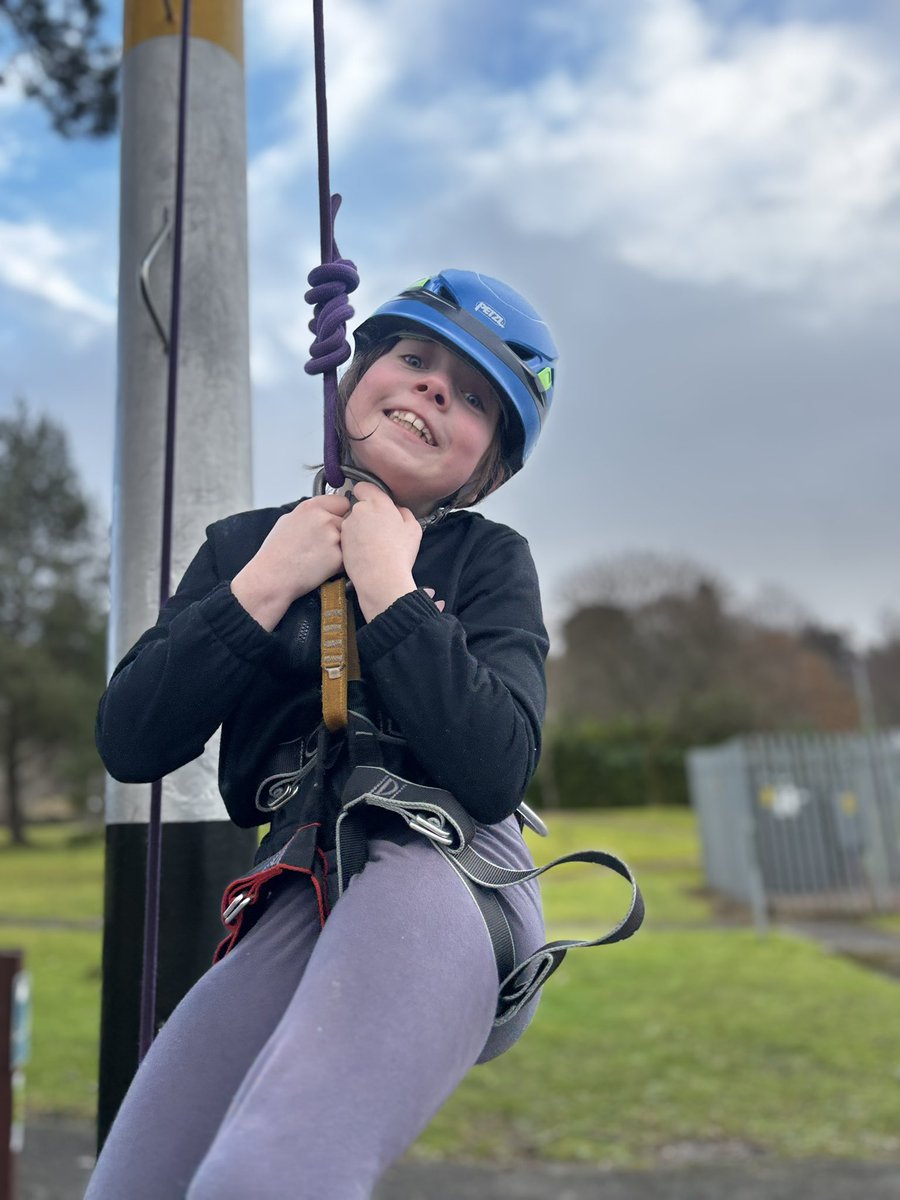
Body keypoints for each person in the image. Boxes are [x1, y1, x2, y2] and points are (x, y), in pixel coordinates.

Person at [85, 270, 558, 1200]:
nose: (431, 391)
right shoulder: (244, 548)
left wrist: (388, 587)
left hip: (448, 868)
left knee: (266, 1173)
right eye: (415, 361)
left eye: (469, 399)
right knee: (135, 1183)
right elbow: (132, 739)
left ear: (486, 467)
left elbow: (497, 764)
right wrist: (265, 584)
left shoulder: (488, 561)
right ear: (355, 376)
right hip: (297, 880)